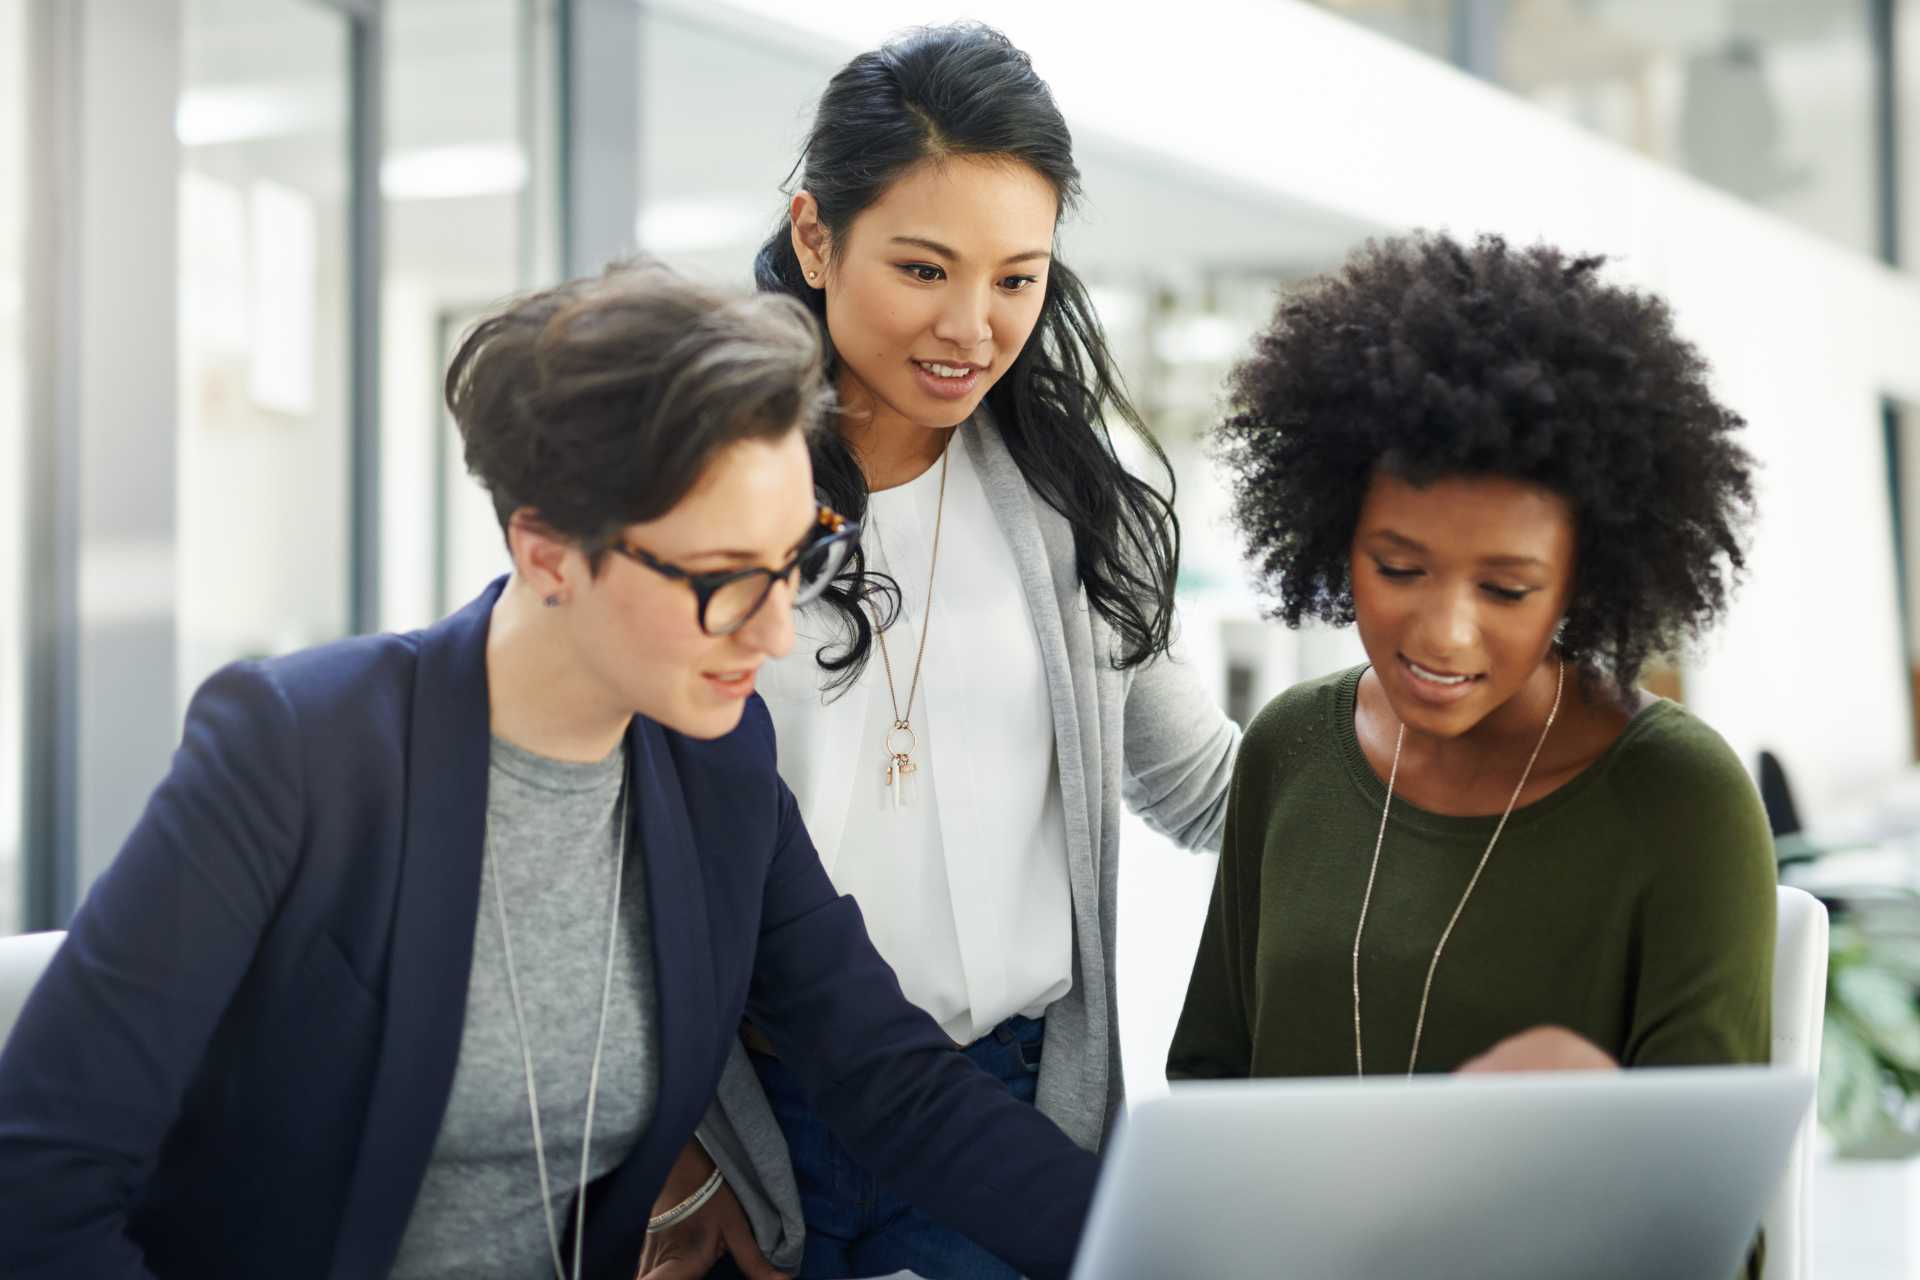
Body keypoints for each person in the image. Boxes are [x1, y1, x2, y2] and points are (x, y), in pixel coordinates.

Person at [0, 262, 1098, 1280]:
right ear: (547, 553)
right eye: (722, 579)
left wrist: (1164, 1242)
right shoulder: (297, 750)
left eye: (795, 562)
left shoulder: (715, 764)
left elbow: (890, 1080)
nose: (772, 633)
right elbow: (42, 1174)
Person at [642, 22, 1239, 1280]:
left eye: (1017, 278)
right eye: (924, 268)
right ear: (816, 237)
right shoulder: (700, 495)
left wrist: (1460, 749)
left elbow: (1204, 787)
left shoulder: (1075, 506)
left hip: (1005, 1110)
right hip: (751, 1120)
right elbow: (615, 838)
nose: (972, 326)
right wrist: (675, 1140)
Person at [1166, 231, 1773, 1274]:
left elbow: (1705, 1224)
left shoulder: (1681, 802)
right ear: (1331, 533)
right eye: (1398, 565)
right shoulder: (1289, 751)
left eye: (1506, 589)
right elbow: (1214, 1085)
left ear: (1586, 581)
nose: (1444, 633)